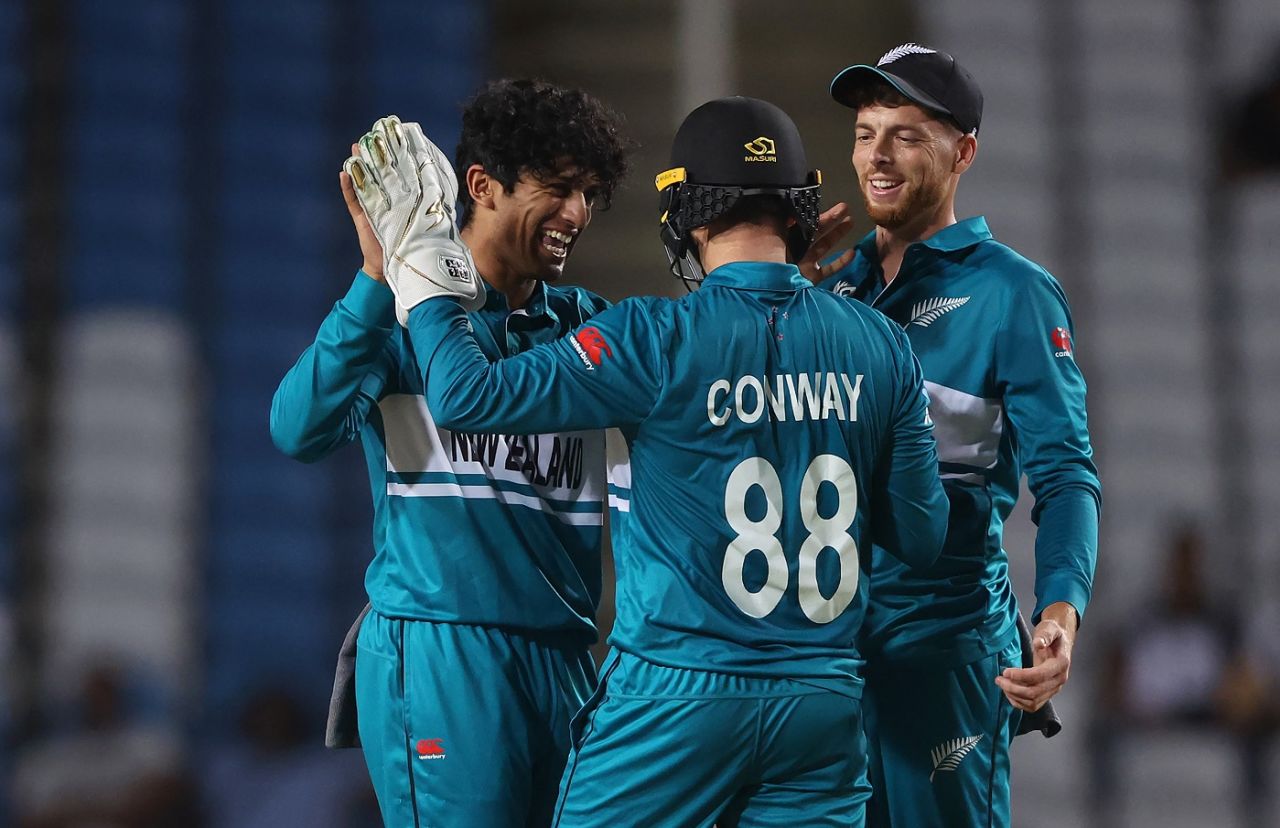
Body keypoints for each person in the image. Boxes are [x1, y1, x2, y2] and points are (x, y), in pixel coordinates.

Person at [351, 94, 949, 826]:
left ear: (691, 214)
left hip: (674, 701)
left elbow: (467, 397)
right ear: (798, 211)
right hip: (820, 707)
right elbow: (921, 537)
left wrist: (421, 263)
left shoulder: (651, 336)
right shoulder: (882, 344)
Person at [270, 79, 629, 827]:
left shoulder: (587, 327)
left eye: (590, 193)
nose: (578, 214)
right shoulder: (401, 322)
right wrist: (377, 276)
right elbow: (298, 429)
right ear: (481, 185)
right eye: (559, 188)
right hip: (442, 649)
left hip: (565, 658)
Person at [808, 43, 1102, 827]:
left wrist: (1061, 612)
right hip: (817, 650)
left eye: (906, 134)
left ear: (962, 151)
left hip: (940, 652)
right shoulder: (832, 287)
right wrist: (774, 300)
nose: (877, 154)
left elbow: (1067, 476)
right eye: (867, 132)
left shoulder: (1014, 292)